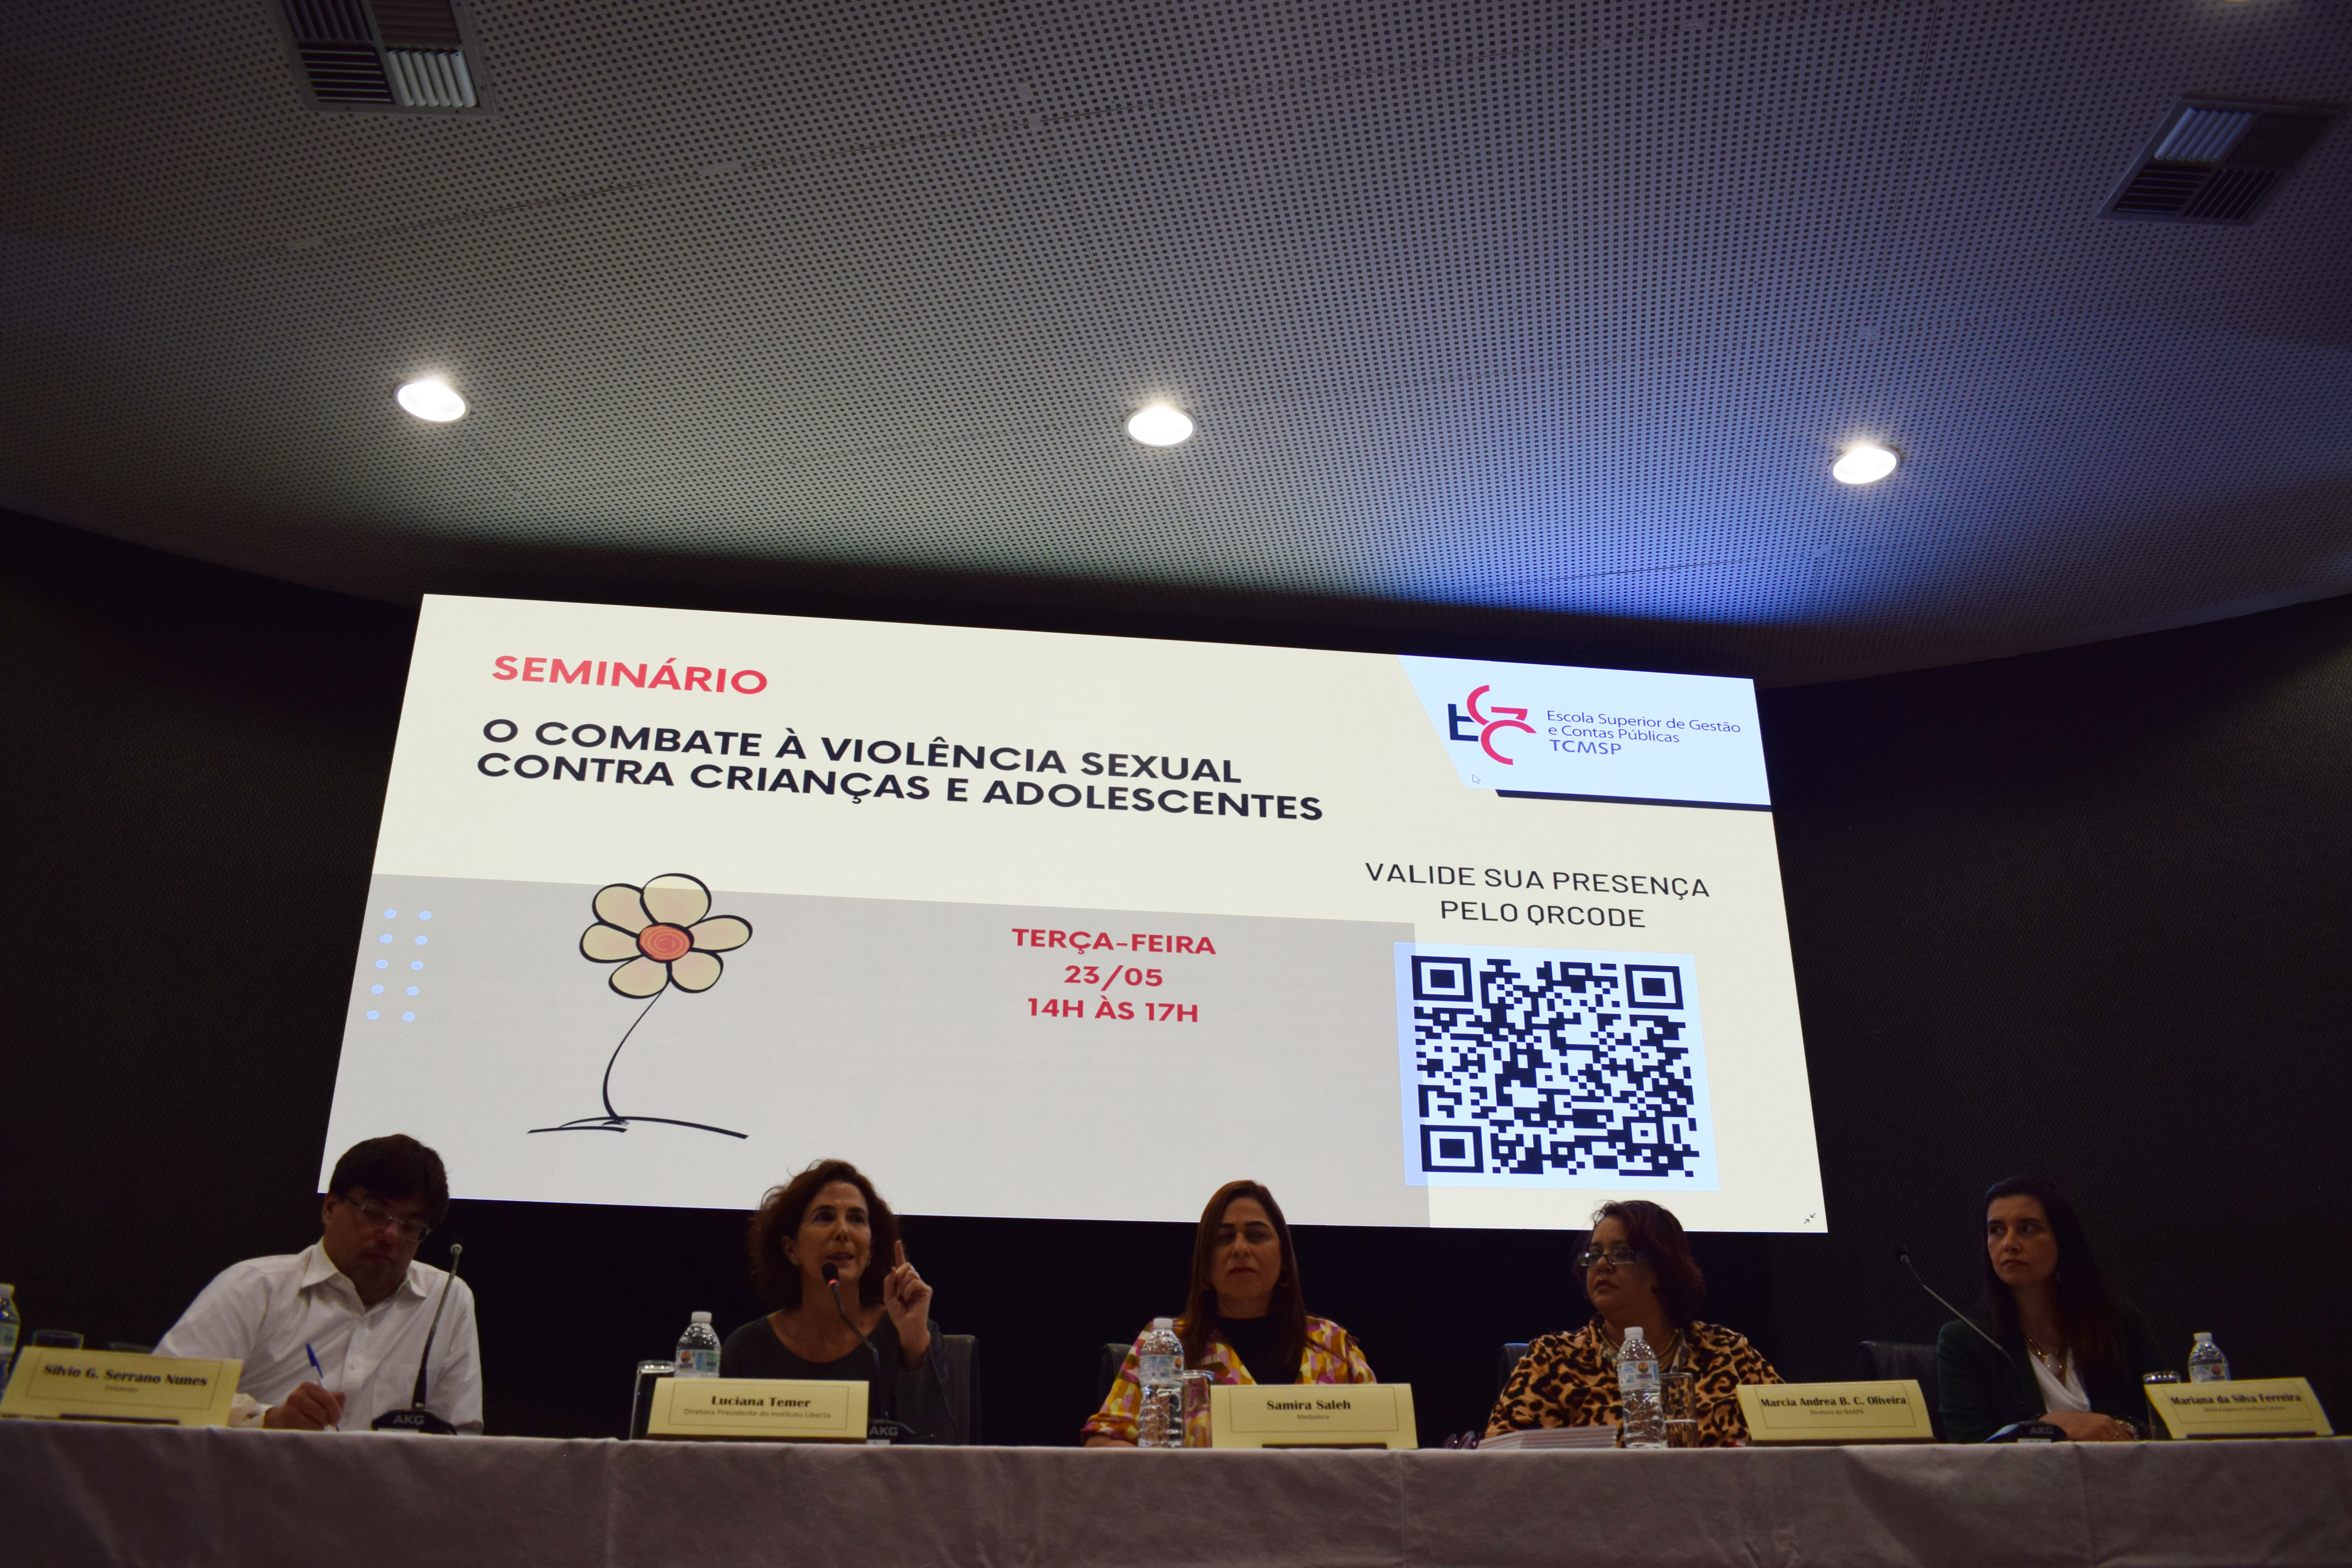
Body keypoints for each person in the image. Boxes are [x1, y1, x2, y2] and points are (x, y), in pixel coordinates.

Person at [156, 1134, 480, 1433]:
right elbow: (162, 1399)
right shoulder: (256, 1287)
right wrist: (269, 1420)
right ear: (330, 1208)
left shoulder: (447, 1300)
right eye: (374, 1213)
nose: (391, 1236)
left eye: (410, 1226)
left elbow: (458, 1435)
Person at [1083, 1180, 1375, 1446]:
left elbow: (1383, 1440)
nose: (1240, 1249)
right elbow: (1102, 1441)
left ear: (1286, 1261)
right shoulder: (1167, 1344)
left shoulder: (1332, 1345)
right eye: (1223, 1239)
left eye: (1256, 1235)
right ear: (1205, 1269)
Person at [1486, 1199, 1779, 1446]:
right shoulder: (1552, 1360)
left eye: (1621, 1254)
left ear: (1663, 1267)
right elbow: (1499, 1461)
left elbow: (1794, 1436)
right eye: (1594, 1255)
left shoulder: (1729, 1354)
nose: (1602, 1265)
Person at [721, 1158, 954, 1443]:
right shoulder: (748, 1349)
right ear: (791, 1249)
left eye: (857, 1219)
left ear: (871, 1251)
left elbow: (941, 1448)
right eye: (824, 1217)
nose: (843, 1231)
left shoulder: (905, 1335)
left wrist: (915, 1342)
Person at [1937, 1174, 2167, 1443]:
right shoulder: (1965, 1342)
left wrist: (2120, 1429)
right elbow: (1968, 1450)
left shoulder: (2119, 1323)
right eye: (1996, 1230)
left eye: (2027, 1229)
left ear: (2062, 1239)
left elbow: (2168, 1419)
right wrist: (2044, 1427)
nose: (2009, 1243)